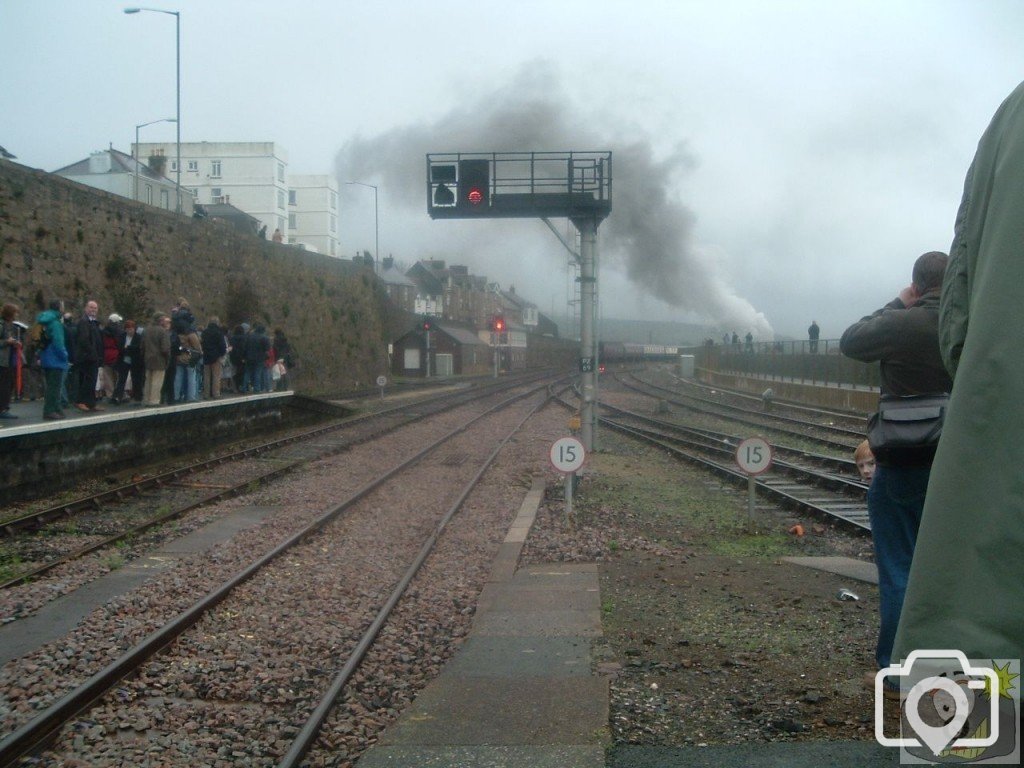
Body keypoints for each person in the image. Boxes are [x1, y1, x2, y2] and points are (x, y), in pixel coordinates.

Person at [894, 81, 1024, 668]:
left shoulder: (1011, 118)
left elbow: (960, 329)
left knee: (956, 593)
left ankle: (963, 744)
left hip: (950, 447)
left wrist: (904, 308)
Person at [839, 251, 951, 678]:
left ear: (917, 286)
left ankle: (899, 667)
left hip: (903, 461)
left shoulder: (903, 322)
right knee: (950, 566)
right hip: (956, 464)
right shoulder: (971, 322)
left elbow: (852, 340)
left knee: (899, 565)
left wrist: (897, 303)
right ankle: (953, 662)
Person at [36, 300, 69, 419]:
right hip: (55, 359)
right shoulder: (55, 323)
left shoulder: (44, 320)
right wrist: (65, 356)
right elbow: (58, 343)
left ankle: (56, 408)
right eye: (63, 306)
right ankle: (50, 410)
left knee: (51, 384)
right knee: (54, 386)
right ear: (59, 308)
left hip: (45, 356)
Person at [74, 299, 104, 412]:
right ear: (86, 308)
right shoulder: (84, 322)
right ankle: (81, 401)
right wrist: (92, 352)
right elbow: (84, 339)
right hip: (87, 356)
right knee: (87, 380)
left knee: (93, 380)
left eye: (95, 308)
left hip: (94, 356)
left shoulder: (94, 322)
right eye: (91, 307)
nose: (93, 310)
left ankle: (91, 403)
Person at [113, 319, 145, 405]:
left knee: (136, 379)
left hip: (135, 360)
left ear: (134, 329)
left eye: (131, 329)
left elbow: (138, 348)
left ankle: (138, 396)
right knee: (122, 378)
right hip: (124, 360)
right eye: (128, 329)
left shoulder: (138, 337)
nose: (129, 331)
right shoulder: (122, 336)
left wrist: (128, 348)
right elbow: (120, 347)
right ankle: (117, 396)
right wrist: (129, 349)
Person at [142, 313, 171, 406]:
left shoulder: (146, 330)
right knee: (157, 381)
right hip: (159, 360)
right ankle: (154, 401)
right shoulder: (162, 332)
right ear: (160, 320)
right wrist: (167, 358)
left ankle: (146, 399)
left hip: (148, 358)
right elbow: (165, 348)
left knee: (148, 381)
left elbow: (142, 346)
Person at [0, 303, 21, 420]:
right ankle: (3, 409)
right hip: (2, 361)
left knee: (9, 384)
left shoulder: (12, 325)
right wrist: (7, 342)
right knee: (4, 386)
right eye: (15, 312)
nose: (16, 314)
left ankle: (4, 407)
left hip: (9, 359)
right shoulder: (2, 325)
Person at [200, 316, 227, 399]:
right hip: (216, 356)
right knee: (216, 376)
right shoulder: (219, 332)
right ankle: (216, 393)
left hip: (206, 356)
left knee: (206, 376)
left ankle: (206, 394)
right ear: (217, 323)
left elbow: (201, 343)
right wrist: (221, 354)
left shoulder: (204, 332)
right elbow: (222, 346)